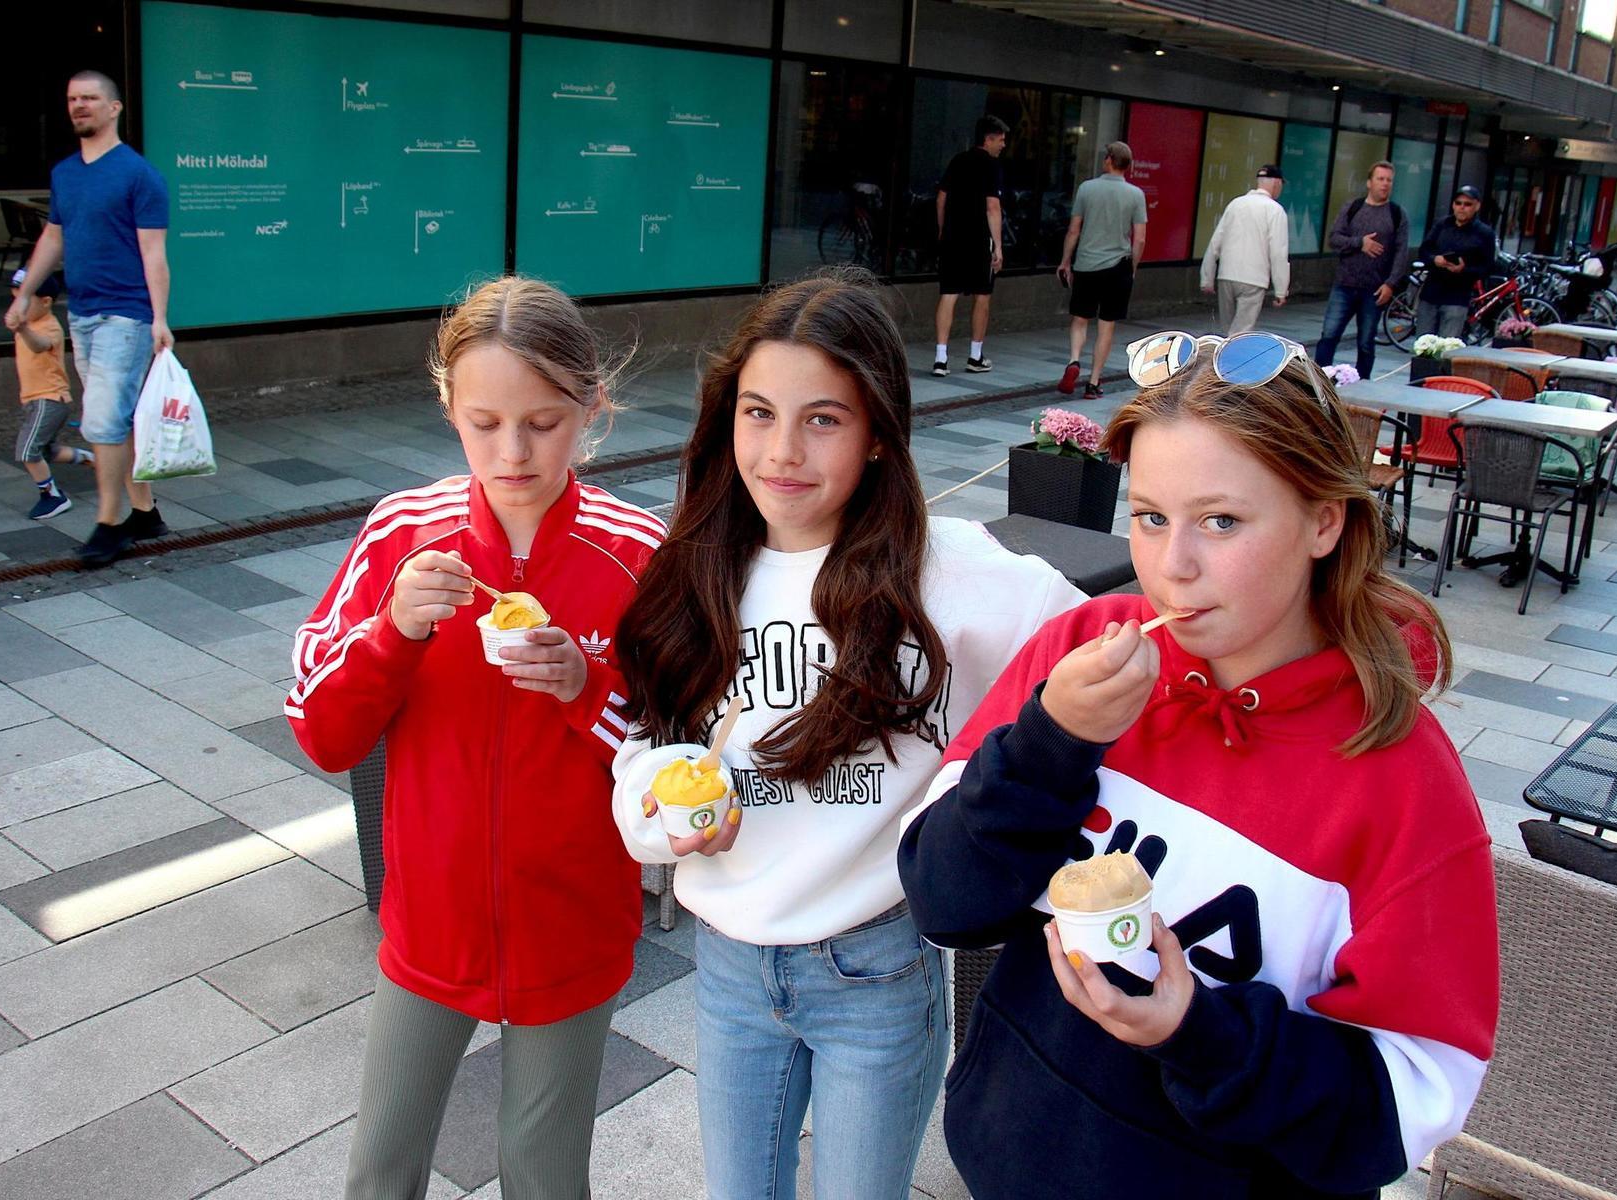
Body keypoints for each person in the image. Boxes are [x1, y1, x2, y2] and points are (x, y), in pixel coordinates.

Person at [900, 330, 1499, 1198]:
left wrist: (1194, 1029)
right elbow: (943, 898)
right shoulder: (1081, 651)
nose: (1172, 568)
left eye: (1221, 520)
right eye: (1150, 517)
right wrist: (1051, 743)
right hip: (1009, 1161)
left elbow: (1402, 1105)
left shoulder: (1400, 776)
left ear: (1324, 520)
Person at [610, 272, 1081, 1199]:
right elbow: (644, 749)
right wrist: (657, 816)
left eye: (823, 418)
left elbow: (1113, 643)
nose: (781, 451)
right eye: (758, 413)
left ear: (876, 435)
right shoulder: (695, 568)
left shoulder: (951, 574)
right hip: (730, 970)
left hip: (878, 965)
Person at [286, 277, 663, 1200]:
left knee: (542, 1173)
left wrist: (587, 687)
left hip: (573, 927)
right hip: (429, 921)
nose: (513, 451)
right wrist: (392, 635)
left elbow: (683, 753)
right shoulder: (401, 537)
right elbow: (322, 733)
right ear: (450, 407)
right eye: (484, 422)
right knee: (381, 1170)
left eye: (543, 421)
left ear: (591, 405)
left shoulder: (640, 551)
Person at [5, 69, 173, 569]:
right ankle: (145, 512)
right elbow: (53, 237)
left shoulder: (139, 175)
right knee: (115, 419)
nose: (80, 106)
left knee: (101, 420)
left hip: (127, 315)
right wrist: (26, 293)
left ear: (114, 108)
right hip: (82, 313)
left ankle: (110, 524)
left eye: (90, 99)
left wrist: (159, 318)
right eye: (73, 98)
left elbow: (154, 253)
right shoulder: (65, 174)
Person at [1057, 141, 1147, 399]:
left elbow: (1074, 229)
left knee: (1080, 319)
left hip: (1086, 264)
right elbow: (1140, 238)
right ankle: (1093, 382)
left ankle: (1074, 360)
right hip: (1118, 266)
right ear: (1127, 166)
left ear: (1108, 160)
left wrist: (1065, 261)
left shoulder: (1087, 188)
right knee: (1106, 326)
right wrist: (1133, 267)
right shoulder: (1135, 195)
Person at [6, 267, 94, 520]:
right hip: (38, 399)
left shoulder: (48, 326)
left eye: (24, 300)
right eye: (15, 299)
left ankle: (53, 496)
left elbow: (39, 345)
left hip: (50, 399)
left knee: (27, 451)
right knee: (47, 451)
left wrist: (22, 328)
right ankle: (92, 460)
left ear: (46, 302)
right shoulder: (31, 321)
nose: (17, 306)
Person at [1316, 161, 1409, 381]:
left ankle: (1363, 386)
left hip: (1374, 289)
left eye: (1389, 180)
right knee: (1329, 335)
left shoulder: (1396, 213)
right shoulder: (1353, 207)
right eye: (1380, 179)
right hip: (1345, 285)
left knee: (1366, 343)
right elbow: (1334, 239)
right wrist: (1360, 243)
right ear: (1369, 182)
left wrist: (1391, 284)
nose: (1385, 184)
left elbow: (1401, 252)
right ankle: (1318, 383)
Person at [931, 115, 1009, 378]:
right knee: (982, 297)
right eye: (1000, 140)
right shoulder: (991, 166)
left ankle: (940, 358)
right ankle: (975, 355)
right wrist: (998, 247)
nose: (1003, 145)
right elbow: (992, 207)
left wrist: (943, 229)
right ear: (988, 139)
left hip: (952, 238)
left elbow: (941, 198)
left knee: (948, 295)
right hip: (978, 240)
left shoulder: (957, 160)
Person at [1199, 165, 1291, 335]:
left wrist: (1207, 278)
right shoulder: (1275, 211)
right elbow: (1278, 253)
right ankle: (1232, 360)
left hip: (1226, 275)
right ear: (1277, 183)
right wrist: (1281, 289)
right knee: (1241, 331)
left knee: (1226, 328)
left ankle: (1222, 356)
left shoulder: (1235, 204)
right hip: (1254, 279)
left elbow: (1215, 242)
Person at [1413, 185, 1497, 340]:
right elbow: (1424, 250)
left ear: (1477, 206)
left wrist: (1464, 270)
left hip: (1457, 298)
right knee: (1422, 346)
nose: (1462, 208)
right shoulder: (1442, 224)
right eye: (1458, 203)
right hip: (1431, 293)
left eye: (1467, 204)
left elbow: (1487, 267)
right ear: (1453, 205)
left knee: (1446, 348)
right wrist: (1435, 259)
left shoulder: (1484, 233)